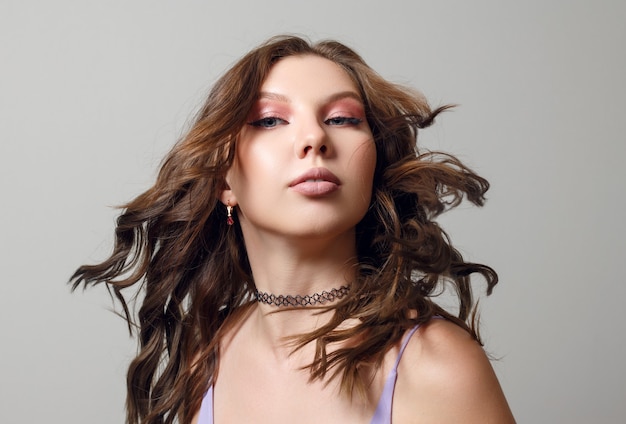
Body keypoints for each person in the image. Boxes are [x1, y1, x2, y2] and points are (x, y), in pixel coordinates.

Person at [71, 35, 515, 424]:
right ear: (225, 181)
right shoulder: (206, 355)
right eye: (269, 120)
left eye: (342, 118)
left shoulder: (433, 365)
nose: (315, 138)